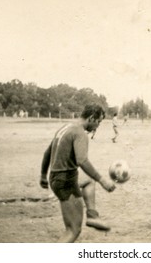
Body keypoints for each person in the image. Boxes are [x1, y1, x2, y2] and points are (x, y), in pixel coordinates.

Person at [40, 104, 116, 243]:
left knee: (88, 180)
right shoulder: (80, 133)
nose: (97, 126)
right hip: (65, 181)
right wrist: (103, 180)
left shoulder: (65, 128)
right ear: (92, 118)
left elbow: (47, 153)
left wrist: (43, 176)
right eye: (98, 122)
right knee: (73, 230)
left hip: (56, 177)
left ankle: (92, 215)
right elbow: (82, 160)